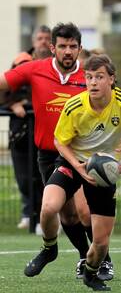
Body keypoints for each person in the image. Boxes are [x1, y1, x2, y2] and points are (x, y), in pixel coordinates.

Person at [33, 54, 121, 291]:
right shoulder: (75, 106)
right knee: (49, 206)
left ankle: (91, 274)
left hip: (104, 170)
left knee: (101, 244)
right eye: (89, 77)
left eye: (99, 77)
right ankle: (50, 247)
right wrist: (77, 165)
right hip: (73, 163)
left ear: (111, 79)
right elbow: (60, 142)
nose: (92, 82)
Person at [0, 22, 110, 279]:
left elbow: (116, 107)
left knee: (84, 210)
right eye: (62, 46)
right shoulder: (35, 69)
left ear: (80, 48)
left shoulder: (89, 76)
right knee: (66, 214)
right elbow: (4, 82)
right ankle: (83, 256)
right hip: (48, 155)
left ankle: (103, 262)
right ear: (52, 48)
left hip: (81, 154)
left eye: (73, 46)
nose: (68, 51)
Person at [7, 25, 52, 232]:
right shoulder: (21, 61)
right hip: (21, 130)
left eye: (46, 38)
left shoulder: (55, 65)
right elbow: (7, 88)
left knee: (44, 175)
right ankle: (29, 214)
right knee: (24, 178)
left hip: (46, 128)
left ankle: (44, 218)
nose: (43, 42)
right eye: (40, 38)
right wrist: (12, 104)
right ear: (34, 41)